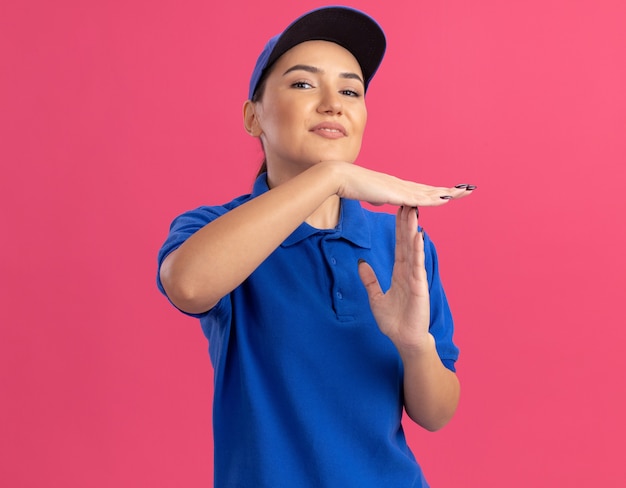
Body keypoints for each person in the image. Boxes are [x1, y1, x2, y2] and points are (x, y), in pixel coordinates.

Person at [157, 6, 475, 487]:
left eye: (350, 90)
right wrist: (333, 174)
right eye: (304, 84)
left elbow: (435, 413)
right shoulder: (216, 228)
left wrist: (416, 347)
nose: (333, 103)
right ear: (252, 116)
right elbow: (188, 284)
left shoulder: (403, 244)